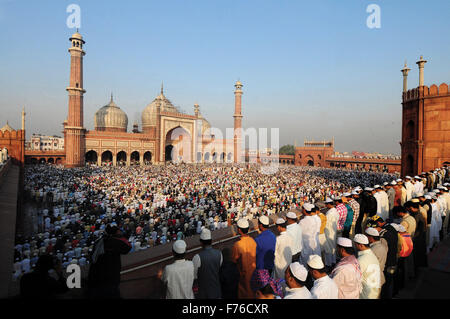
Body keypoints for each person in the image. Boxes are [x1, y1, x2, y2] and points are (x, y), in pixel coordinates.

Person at [87, 224, 132, 298]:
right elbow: (128, 247)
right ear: (116, 233)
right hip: (109, 275)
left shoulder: (100, 240)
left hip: (96, 275)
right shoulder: (114, 241)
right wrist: (120, 237)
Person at [365, 216, 398, 299]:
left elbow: (382, 254)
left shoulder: (382, 238)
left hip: (388, 264)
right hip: (392, 261)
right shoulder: (387, 232)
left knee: (386, 287)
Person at [192, 228, 222, 299]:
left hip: (204, 293)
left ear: (201, 242)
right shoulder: (219, 254)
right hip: (217, 291)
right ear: (211, 241)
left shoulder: (197, 257)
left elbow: (194, 276)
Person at [231, 218, 257, 299]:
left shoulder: (237, 245)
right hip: (254, 274)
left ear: (239, 230)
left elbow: (233, 261)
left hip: (243, 276)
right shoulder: (253, 241)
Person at [354, 234, 381, 299]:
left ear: (360, 245)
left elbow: (354, 278)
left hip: (365, 294)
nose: (355, 247)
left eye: (355, 245)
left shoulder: (361, 260)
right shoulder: (372, 256)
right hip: (375, 293)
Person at [323, 198, 339, 267]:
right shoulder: (335, 210)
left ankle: (329, 263)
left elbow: (326, 224)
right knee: (333, 247)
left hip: (328, 231)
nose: (325, 206)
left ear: (329, 204)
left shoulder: (329, 213)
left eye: (326, 204)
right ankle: (333, 261)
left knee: (328, 248)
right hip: (333, 230)